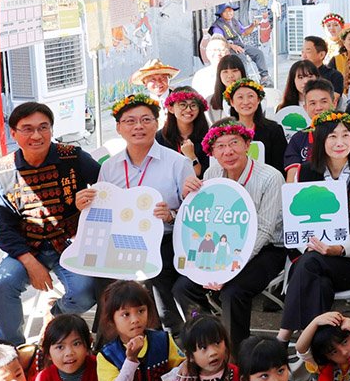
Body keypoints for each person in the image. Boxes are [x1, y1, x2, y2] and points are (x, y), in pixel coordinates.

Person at [0, 101, 101, 344]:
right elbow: (3, 227)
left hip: (71, 244)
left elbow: (108, 186)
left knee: (84, 293)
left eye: (43, 127)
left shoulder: (74, 157)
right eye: (27, 129)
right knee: (1, 287)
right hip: (26, 250)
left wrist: (91, 201)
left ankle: (55, 314)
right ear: (13, 133)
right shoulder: (2, 172)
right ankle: (13, 349)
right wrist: (30, 263)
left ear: (51, 129)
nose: (36, 135)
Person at [174, 121, 285, 349]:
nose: (228, 151)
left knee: (233, 292)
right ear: (212, 152)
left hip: (265, 249)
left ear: (247, 144)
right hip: (222, 245)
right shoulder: (213, 172)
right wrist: (190, 195)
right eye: (220, 146)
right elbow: (204, 218)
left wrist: (228, 268)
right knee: (183, 287)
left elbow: (264, 230)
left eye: (234, 143)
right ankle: (206, 339)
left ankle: (236, 356)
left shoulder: (270, 177)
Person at [91, 93, 193, 330]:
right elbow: (104, 208)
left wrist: (172, 215)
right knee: (103, 278)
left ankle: (164, 335)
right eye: (130, 121)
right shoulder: (109, 167)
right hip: (121, 241)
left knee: (156, 277)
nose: (138, 126)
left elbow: (192, 214)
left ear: (157, 124)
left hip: (164, 240)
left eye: (146, 120)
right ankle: (110, 337)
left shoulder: (177, 163)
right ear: (118, 128)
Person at [278, 112, 350, 340]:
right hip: (313, 257)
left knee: (308, 265)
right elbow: (293, 222)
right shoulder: (304, 173)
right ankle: (318, 349)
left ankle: (283, 337)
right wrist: (311, 247)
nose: (340, 142)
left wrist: (340, 249)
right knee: (318, 280)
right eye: (332, 136)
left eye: (346, 135)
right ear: (321, 140)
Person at [224, 78, 287, 175]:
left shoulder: (273, 129)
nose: (246, 102)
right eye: (240, 97)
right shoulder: (224, 131)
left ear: (258, 100)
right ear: (232, 102)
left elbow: (280, 165)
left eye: (250, 96)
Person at [282, 78, 338, 179]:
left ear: (334, 103)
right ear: (305, 108)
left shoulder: (346, 135)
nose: (318, 108)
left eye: (324, 101)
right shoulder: (298, 139)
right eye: (312, 103)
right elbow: (292, 180)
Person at [208, 3, 270, 85]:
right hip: (228, 48)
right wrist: (232, 46)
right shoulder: (217, 26)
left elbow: (244, 32)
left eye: (230, 11)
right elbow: (219, 40)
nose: (229, 13)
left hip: (239, 44)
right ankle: (245, 80)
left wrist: (253, 25)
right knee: (241, 58)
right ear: (221, 13)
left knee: (258, 53)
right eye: (226, 11)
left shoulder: (234, 21)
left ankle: (264, 77)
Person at [158, 87, 210, 178]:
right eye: (182, 105)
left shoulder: (207, 136)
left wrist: (191, 156)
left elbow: (202, 174)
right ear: (171, 109)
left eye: (193, 105)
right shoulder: (159, 138)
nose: (188, 110)